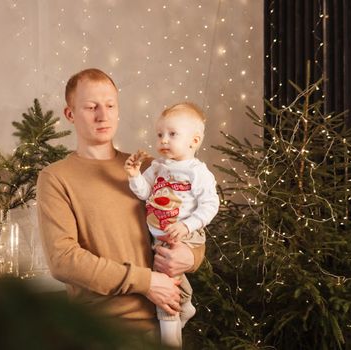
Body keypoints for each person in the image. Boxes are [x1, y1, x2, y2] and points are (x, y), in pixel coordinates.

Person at [36, 68, 206, 342]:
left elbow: (189, 225)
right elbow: (63, 260)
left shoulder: (151, 169)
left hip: (163, 326)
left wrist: (191, 256)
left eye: (110, 105)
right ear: (70, 114)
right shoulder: (56, 178)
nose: (103, 115)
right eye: (92, 107)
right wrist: (146, 282)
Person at [124, 102, 219, 347]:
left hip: (185, 235)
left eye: (172, 134)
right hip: (162, 236)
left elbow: (210, 205)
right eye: (160, 134)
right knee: (174, 282)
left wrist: (187, 226)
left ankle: (170, 340)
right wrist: (135, 176)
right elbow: (144, 194)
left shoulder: (197, 172)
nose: (164, 140)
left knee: (165, 284)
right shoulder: (158, 167)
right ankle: (185, 307)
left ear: (194, 141)